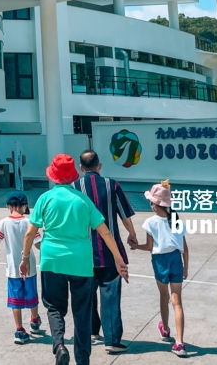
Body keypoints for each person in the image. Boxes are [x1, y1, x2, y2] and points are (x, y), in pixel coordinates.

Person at [19, 154, 128, 365]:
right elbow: (106, 233)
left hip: (52, 261)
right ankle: (82, 359)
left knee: (54, 307)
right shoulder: (83, 200)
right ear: (73, 176)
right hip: (81, 264)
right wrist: (118, 258)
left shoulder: (45, 198)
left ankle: (59, 345)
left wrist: (24, 258)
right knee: (82, 312)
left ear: (53, 175)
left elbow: (30, 233)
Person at [73, 150, 137, 355]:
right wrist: (132, 234)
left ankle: (92, 330)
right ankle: (112, 340)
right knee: (110, 296)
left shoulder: (74, 189)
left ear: (81, 169)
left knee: (86, 293)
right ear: (99, 166)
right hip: (110, 251)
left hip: (83, 252)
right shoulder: (112, 185)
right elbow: (125, 215)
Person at [129, 180, 189, 358]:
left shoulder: (150, 222)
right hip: (176, 260)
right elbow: (185, 247)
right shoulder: (176, 219)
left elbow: (149, 246)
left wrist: (135, 246)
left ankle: (165, 328)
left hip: (160, 261)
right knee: (177, 301)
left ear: (155, 205)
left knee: (164, 296)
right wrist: (186, 267)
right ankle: (179, 342)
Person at [0, 190, 43, 345]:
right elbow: (39, 244)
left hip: (13, 269)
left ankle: (19, 329)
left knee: (15, 300)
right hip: (30, 268)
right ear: (25, 206)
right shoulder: (29, 222)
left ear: (8, 206)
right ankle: (34, 320)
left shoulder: (3, 222)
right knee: (32, 296)